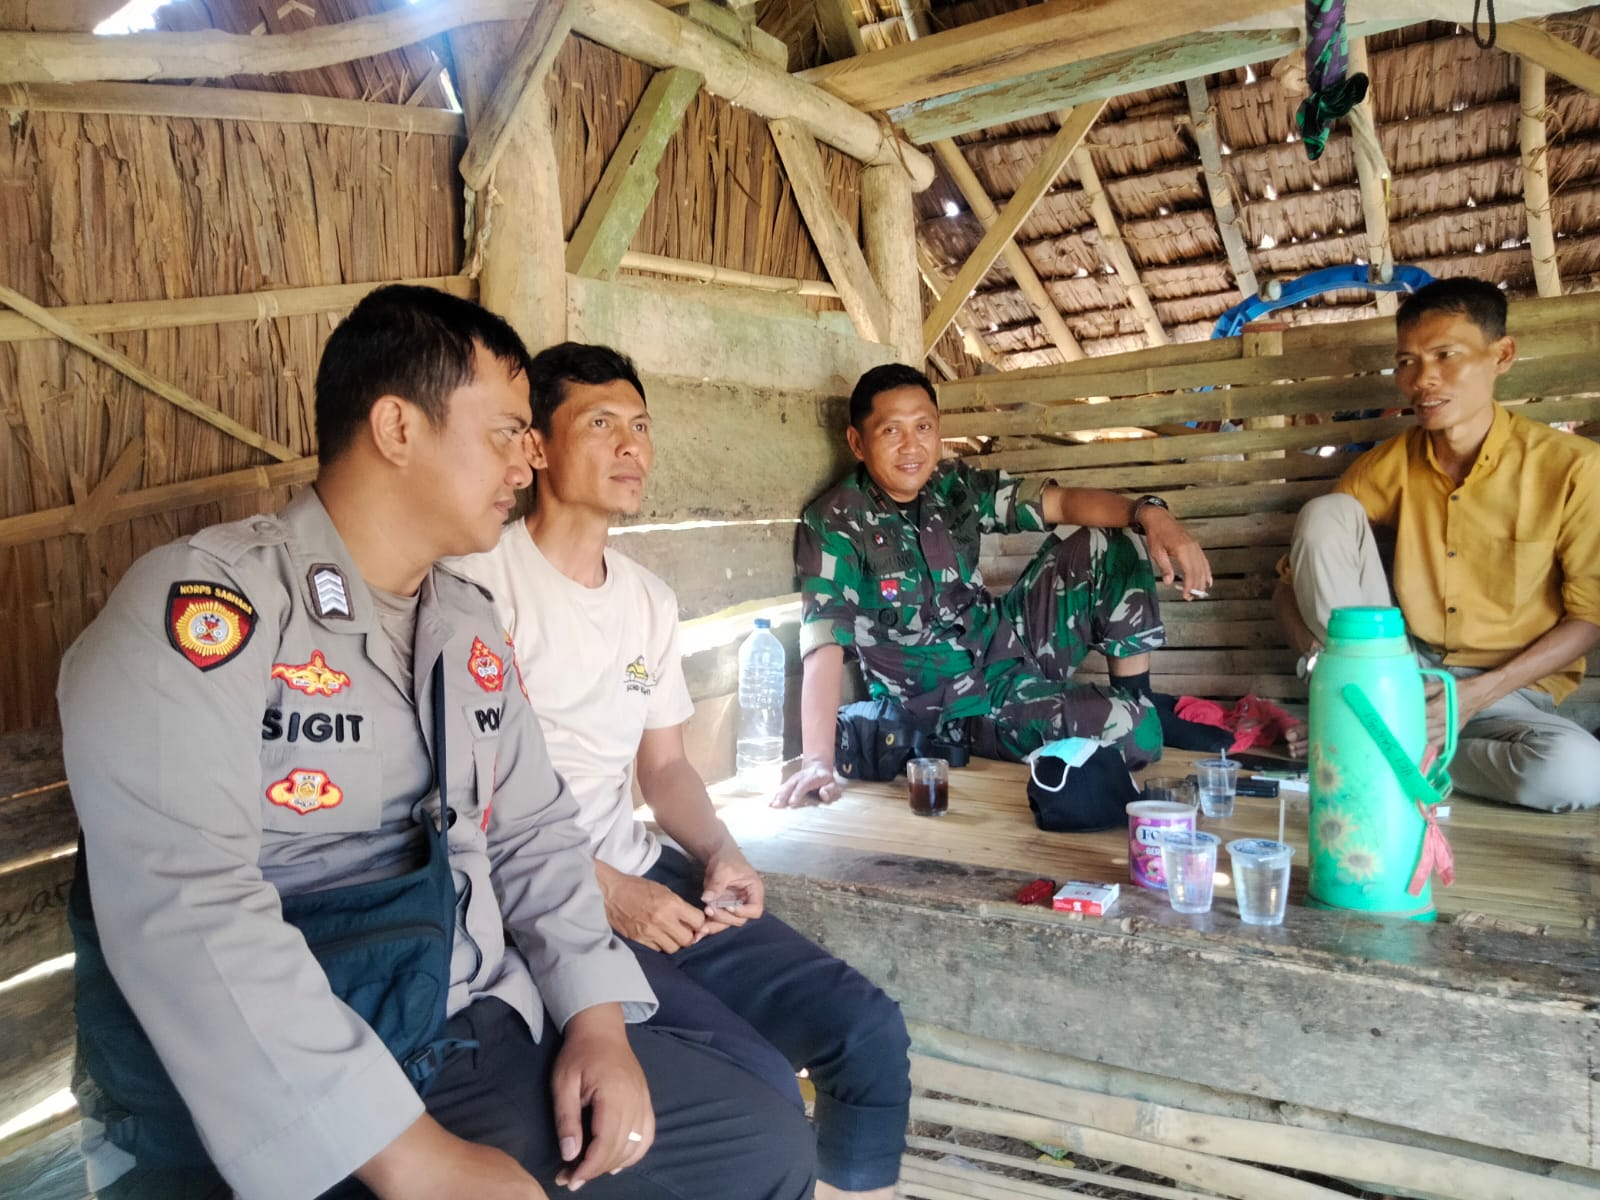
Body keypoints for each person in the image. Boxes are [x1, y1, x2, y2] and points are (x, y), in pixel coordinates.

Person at [59, 287, 815, 1200]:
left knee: (764, 1141)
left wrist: (596, 1020)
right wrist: (412, 1159)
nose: (528, 459)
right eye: (505, 432)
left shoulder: (465, 624)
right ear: (397, 428)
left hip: (469, 1024)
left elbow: (534, 832)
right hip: (295, 1080)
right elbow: (186, 905)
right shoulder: (212, 609)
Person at [453, 342, 913, 1200]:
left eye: (641, 425)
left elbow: (664, 767)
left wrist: (719, 851)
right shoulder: (479, 586)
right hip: (536, 902)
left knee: (867, 1031)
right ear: (538, 447)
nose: (632, 446)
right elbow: (463, 804)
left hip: (643, 875)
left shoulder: (646, 600)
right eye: (601, 424)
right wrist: (602, 893)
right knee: (763, 1098)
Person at [774, 363, 1215, 808]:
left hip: (1006, 648)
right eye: (892, 430)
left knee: (1110, 542)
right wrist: (817, 761)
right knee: (1134, 730)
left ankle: (1139, 699)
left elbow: (1061, 502)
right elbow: (824, 642)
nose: (911, 445)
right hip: (951, 707)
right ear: (857, 442)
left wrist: (1151, 513)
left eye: (923, 427)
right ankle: (1138, 716)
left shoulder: (953, 487)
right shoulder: (836, 521)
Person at [1276, 277, 1600, 811]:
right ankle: (1375, 725)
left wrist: (1476, 694)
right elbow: (1289, 587)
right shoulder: (1389, 465)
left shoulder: (1573, 469)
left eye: (1446, 355)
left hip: (1509, 695)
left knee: (1576, 774)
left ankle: (1375, 742)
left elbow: (1589, 618)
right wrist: (1320, 666)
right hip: (1399, 674)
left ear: (1502, 355)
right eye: (1406, 362)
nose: (1422, 379)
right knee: (1326, 514)